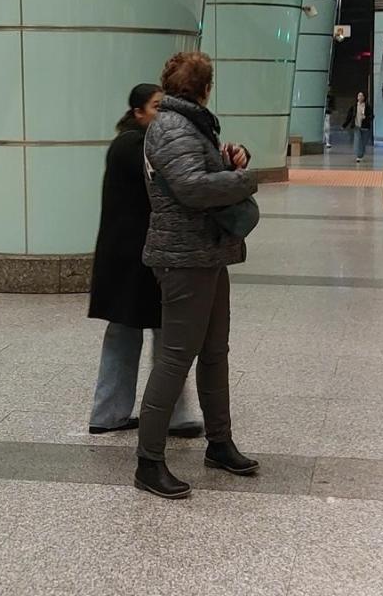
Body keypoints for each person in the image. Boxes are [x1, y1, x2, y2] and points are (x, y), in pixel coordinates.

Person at [134, 51, 260, 499]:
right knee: (174, 359)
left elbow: (196, 175)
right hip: (183, 258)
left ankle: (219, 443)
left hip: (204, 254)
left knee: (214, 352)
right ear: (205, 87)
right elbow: (191, 188)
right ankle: (148, 461)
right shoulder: (173, 127)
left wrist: (229, 161)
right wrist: (245, 180)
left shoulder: (190, 125)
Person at [85, 83, 204, 438]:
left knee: (141, 332)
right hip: (134, 257)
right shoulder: (133, 146)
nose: (162, 113)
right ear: (138, 112)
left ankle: (113, 413)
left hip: (134, 256)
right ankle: (168, 414)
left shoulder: (136, 143)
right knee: (162, 332)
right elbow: (175, 178)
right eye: (156, 107)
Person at [345, 90, 373, 163]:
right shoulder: (354, 106)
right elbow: (349, 116)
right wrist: (345, 124)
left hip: (365, 126)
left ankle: (361, 154)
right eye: (358, 96)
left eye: (361, 95)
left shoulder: (367, 106)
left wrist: (366, 117)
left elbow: (372, 116)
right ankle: (358, 156)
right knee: (357, 141)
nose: (360, 97)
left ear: (364, 97)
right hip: (357, 126)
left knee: (363, 142)